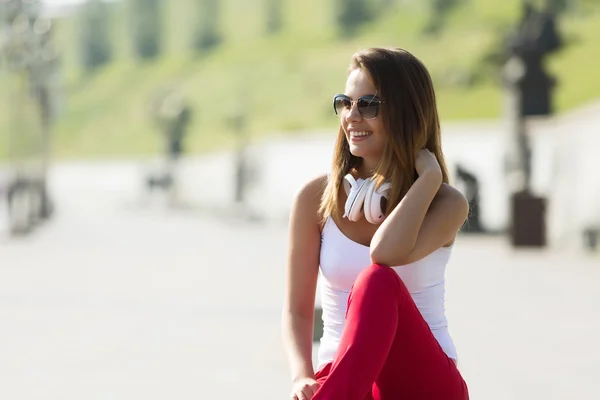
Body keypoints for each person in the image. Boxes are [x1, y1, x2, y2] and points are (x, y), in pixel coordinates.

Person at [281, 48, 470, 400]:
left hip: (422, 385)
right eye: (345, 103)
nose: (352, 116)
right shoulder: (314, 199)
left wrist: (427, 180)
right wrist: (300, 376)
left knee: (377, 279)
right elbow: (297, 309)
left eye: (367, 104)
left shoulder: (445, 203)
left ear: (406, 112)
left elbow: (384, 253)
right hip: (343, 381)